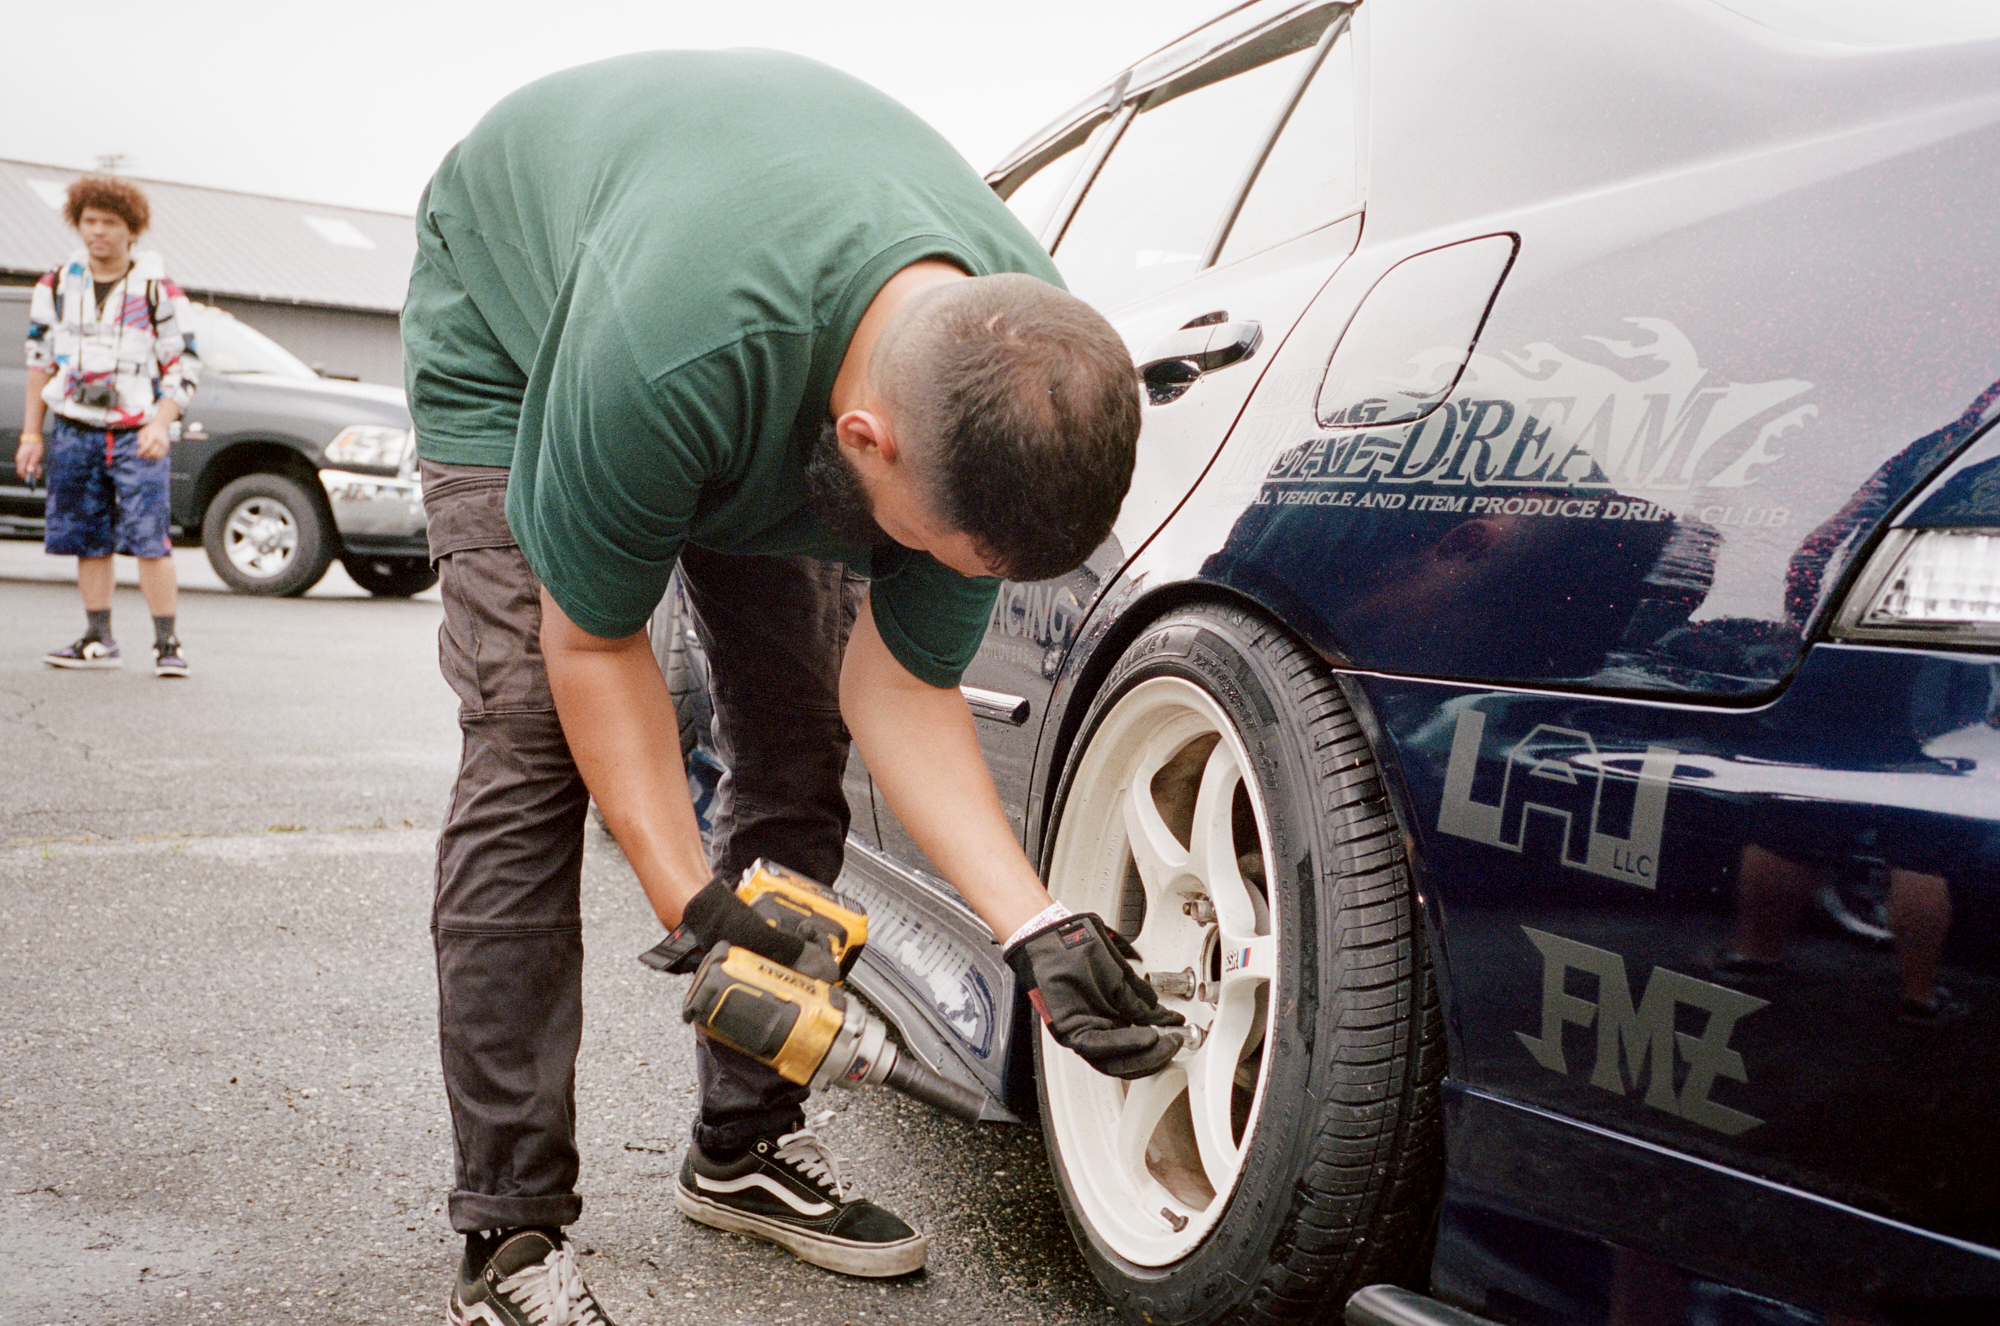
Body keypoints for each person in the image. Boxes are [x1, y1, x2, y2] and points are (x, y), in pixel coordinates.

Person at [403, 52, 1179, 1325]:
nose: (942, 579)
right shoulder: (665, 360)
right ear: (863, 441)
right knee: (533, 746)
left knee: (798, 731)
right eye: (932, 549)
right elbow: (594, 648)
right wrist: (689, 901)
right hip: (525, 318)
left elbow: (902, 693)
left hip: (744, 327)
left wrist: (1037, 927)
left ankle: (742, 1148)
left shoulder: (1004, 382)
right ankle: (509, 1231)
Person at [15, 174, 200, 677]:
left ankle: (167, 645)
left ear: (132, 229)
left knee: (150, 539)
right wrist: (32, 434)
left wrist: (161, 422)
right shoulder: (56, 284)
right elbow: (39, 361)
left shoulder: (158, 289)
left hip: (136, 434)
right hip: (74, 428)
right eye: (90, 221)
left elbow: (184, 364)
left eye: (111, 223)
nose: (98, 231)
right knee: (86, 537)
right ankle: (98, 638)